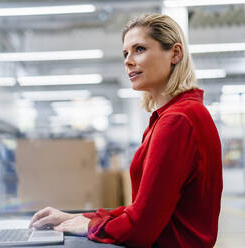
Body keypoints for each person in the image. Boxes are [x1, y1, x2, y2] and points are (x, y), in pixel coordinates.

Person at [29, 13, 223, 248]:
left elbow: (140, 228)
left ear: (175, 53)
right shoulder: (170, 118)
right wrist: (78, 218)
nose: (128, 61)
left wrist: (88, 227)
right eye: (125, 53)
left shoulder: (178, 120)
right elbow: (143, 208)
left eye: (139, 49)